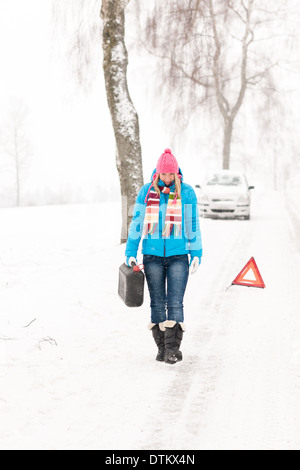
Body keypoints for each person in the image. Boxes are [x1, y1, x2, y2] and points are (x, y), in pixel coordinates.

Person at [125, 149, 202, 364]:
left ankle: (172, 349)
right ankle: (161, 347)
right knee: (157, 303)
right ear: (157, 174)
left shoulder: (186, 193)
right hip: (152, 256)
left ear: (176, 174)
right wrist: (130, 252)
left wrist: (196, 253)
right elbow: (137, 224)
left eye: (171, 175)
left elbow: (192, 224)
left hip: (179, 256)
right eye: (163, 174)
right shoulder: (146, 192)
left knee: (175, 302)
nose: (167, 178)